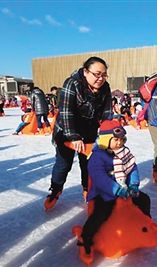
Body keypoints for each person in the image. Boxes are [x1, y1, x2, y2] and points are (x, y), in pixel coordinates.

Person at [44, 56, 112, 211]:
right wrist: (73, 136)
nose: (100, 78)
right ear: (86, 71)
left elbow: (107, 112)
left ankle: (88, 189)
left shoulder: (105, 87)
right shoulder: (72, 83)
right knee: (63, 165)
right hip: (66, 131)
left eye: (104, 75)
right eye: (97, 74)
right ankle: (55, 189)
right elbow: (66, 112)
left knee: (88, 164)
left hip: (89, 132)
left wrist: (109, 131)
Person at [78, 119, 151, 255]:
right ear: (106, 140)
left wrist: (133, 185)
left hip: (125, 188)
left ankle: (145, 223)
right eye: (116, 140)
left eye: (122, 139)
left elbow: (132, 168)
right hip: (103, 192)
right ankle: (86, 237)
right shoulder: (97, 157)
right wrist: (116, 190)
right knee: (102, 212)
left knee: (144, 199)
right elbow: (100, 178)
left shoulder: (124, 152)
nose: (119, 143)